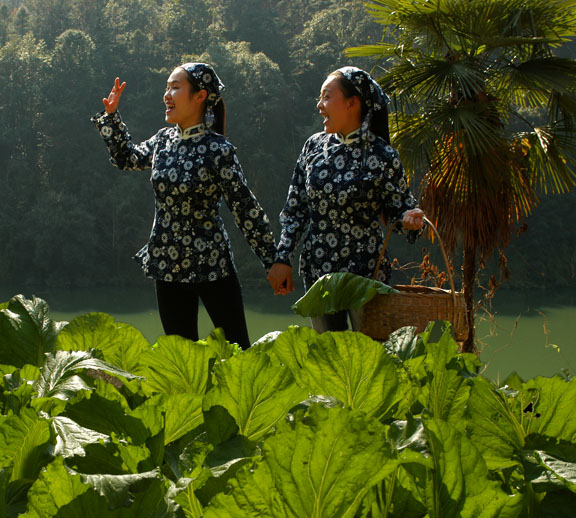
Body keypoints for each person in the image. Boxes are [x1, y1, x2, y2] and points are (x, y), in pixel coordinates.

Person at [92, 63, 277, 350]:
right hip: (168, 264)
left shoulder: (218, 149)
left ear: (200, 96)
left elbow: (245, 208)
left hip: (212, 263)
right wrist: (112, 116)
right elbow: (126, 158)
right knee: (181, 357)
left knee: (238, 349)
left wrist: (272, 260)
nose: (167, 94)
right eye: (167, 87)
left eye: (175, 87)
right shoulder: (163, 141)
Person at [267, 66, 424, 333]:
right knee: (328, 359)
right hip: (319, 272)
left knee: (371, 356)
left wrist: (411, 220)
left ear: (353, 103)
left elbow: (401, 210)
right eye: (320, 97)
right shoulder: (312, 148)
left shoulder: (382, 155)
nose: (319, 105)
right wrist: (283, 258)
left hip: (366, 275)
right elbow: (295, 210)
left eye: (327, 97)